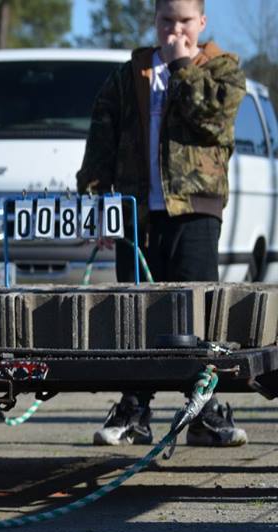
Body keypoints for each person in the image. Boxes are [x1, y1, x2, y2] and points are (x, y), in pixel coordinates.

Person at [77, 0, 248, 448]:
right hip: (137, 213)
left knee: (196, 310)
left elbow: (213, 122)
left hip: (194, 209)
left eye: (185, 22)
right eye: (166, 21)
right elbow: (102, 138)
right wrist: (96, 202)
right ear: (154, 22)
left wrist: (183, 68)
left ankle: (205, 410)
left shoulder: (221, 69)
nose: (175, 31)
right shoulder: (130, 73)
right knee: (135, 312)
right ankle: (135, 407)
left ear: (202, 23)